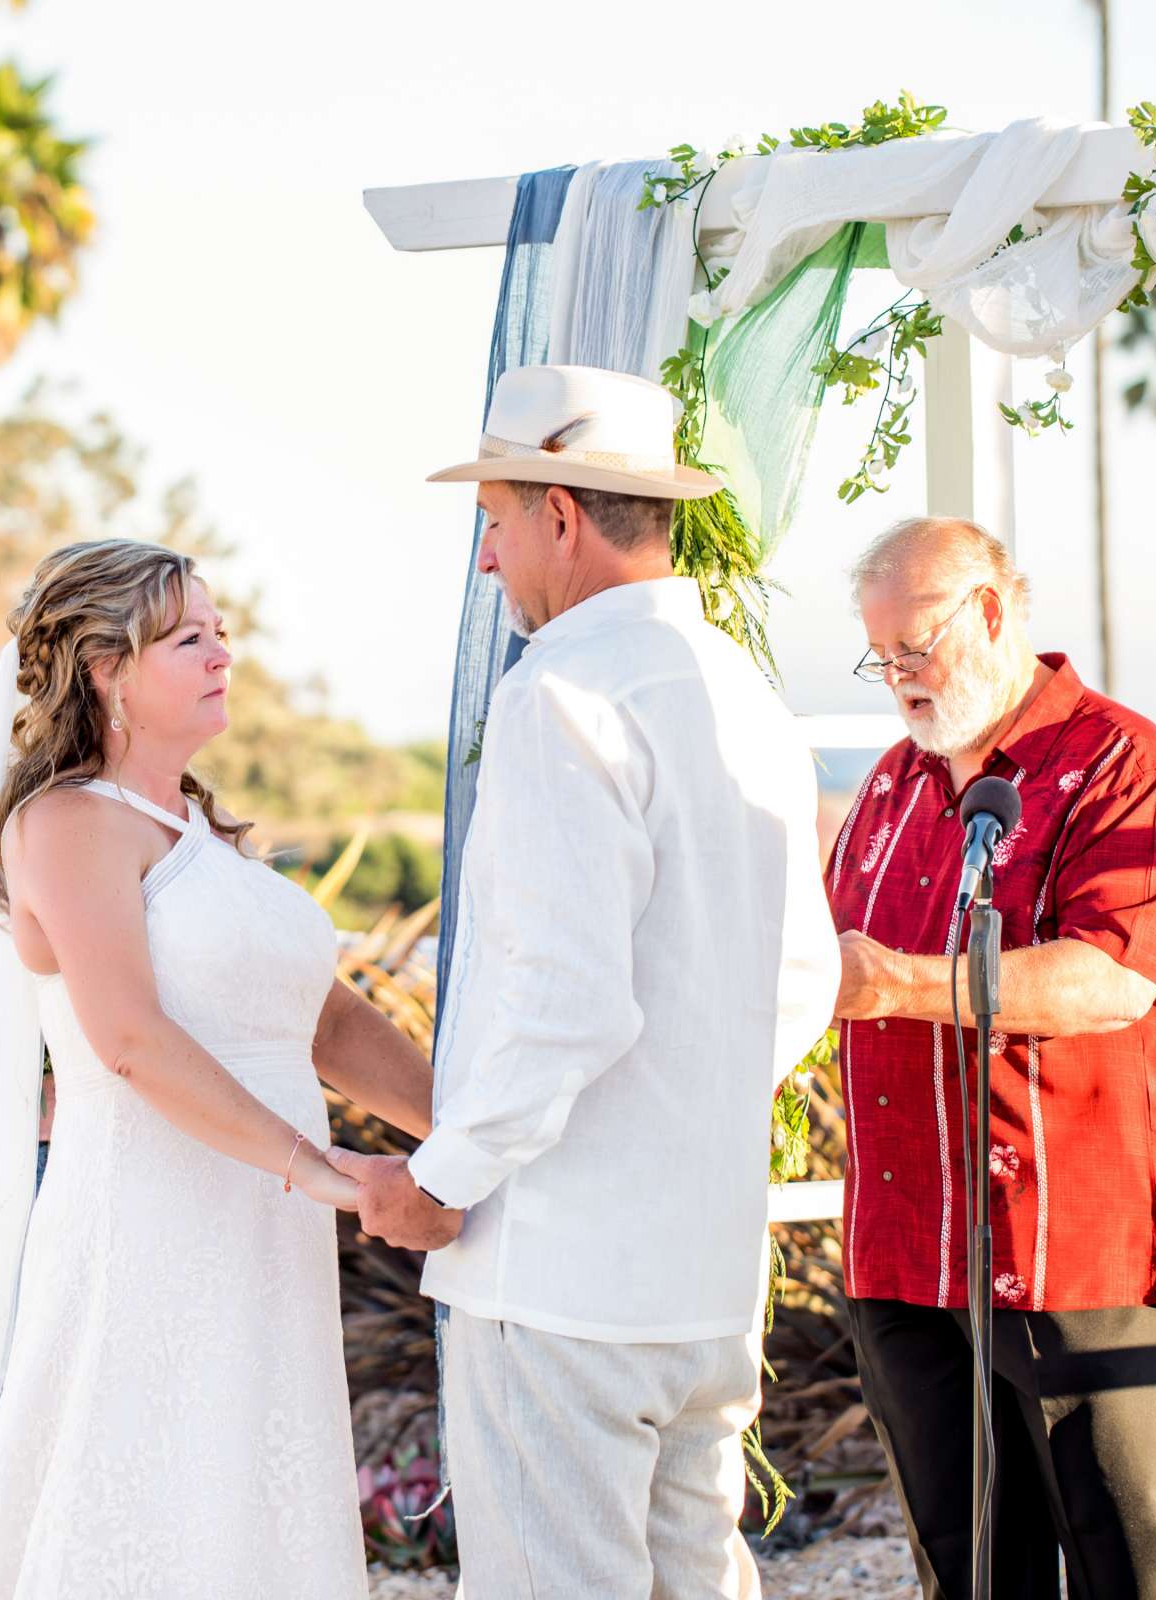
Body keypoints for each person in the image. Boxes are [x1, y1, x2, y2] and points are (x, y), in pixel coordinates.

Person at [332, 364, 840, 1596]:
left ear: (560, 515)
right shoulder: (749, 697)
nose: (490, 563)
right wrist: (683, 1111)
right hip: (705, 1274)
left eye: (495, 523)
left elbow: (562, 1003)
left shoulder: (562, 691)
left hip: (558, 1278)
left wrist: (438, 1180)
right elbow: (805, 978)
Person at [0, 538, 434, 1598]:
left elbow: (328, 1022)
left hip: (261, 1216)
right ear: (107, 668)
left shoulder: (198, 823)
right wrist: (337, 1175)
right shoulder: (66, 822)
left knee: (253, 1495)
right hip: (151, 1217)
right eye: (188, 637)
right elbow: (128, 1040)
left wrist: (470, 1130)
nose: (222, 654)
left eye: (221, 632)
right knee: (151, 1490)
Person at [828, 516, 1156, 1599]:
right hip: (906, 1255)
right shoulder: (892, 789)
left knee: (1125, 1569)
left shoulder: (1123, 766)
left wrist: (897, 980)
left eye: (916, 648)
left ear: (991, 612)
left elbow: (1113, 981)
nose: (899, 678)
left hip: (1078, 1253)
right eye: (882, 658)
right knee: (968, 1573)